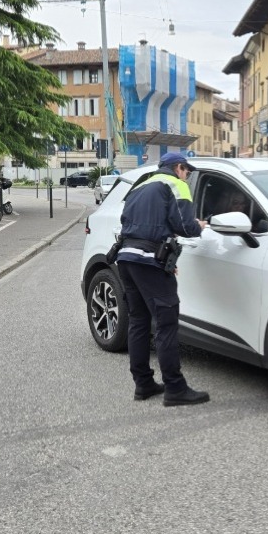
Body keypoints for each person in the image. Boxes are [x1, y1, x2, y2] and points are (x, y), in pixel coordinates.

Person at [115, 152, 210, 406]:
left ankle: (143, 384)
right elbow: (184, 225)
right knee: (166, 323)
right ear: (178, 167)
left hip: (126, 258)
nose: (187, 176)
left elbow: (134, 223)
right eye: (187, 171)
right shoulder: (175, 184)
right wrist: (199, 226)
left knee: (138, 320)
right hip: (148, 260)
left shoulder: (141, 184)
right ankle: (175, 388)